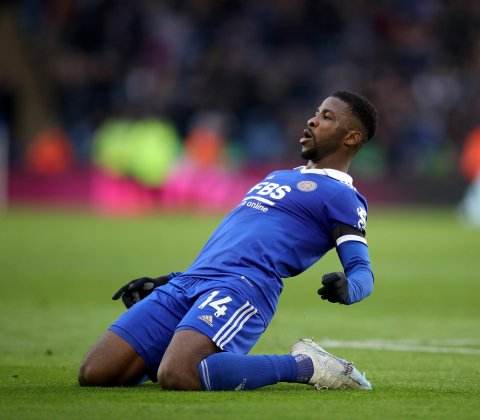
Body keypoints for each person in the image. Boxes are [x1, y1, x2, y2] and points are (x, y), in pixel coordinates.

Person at [78, 91, 377, 391]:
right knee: (96, 372)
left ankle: (306, 365)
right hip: (190, 281)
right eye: (316, 112)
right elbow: (235, 242)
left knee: (180, 374)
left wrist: (347, 289)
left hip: (243, 287)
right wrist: (168, 280)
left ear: (351, 138)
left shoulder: (342, 196)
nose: (312, 120)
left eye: (327, 117)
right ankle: (178, 349)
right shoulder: (277, 177)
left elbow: (362, 272)